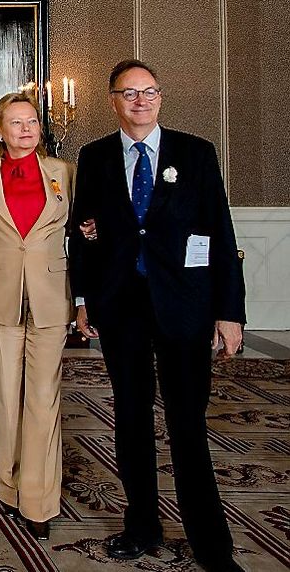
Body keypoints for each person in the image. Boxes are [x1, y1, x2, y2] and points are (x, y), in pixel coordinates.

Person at [70, 59, 246, 572]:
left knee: (187, 425)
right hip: (122, 307)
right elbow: (83, 234)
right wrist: (83, 298)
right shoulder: (96, 156)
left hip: (185, 308)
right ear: (113, 101)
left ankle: (212, 545)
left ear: (160, 98)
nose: (140, 102)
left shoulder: (196, 153)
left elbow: (221, 233)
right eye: (129, 94)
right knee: (130, 420)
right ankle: (142, 525)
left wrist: (228, 311)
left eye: (149, 92)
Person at [0, 92, 74, 540]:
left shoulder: (62, 172)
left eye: (32, 122)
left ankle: (39, 501)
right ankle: (8, 490)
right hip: (1, 294)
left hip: (50, 296)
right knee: (8, 397)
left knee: (43, 398)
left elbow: (86, 227)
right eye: (16, 123)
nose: (26, 129)